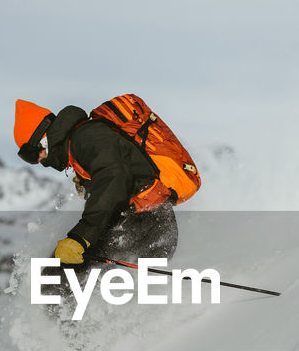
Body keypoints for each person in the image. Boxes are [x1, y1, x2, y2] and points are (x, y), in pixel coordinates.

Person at [13, 99, 178, 267]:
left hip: (147, 224)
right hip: (147, 224)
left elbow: (113, 180)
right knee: (58, 271)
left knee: (58, 276)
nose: (38, 161)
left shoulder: (86, 137)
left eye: (31, 154)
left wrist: (80, 237)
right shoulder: (81, 141)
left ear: (44, 140)